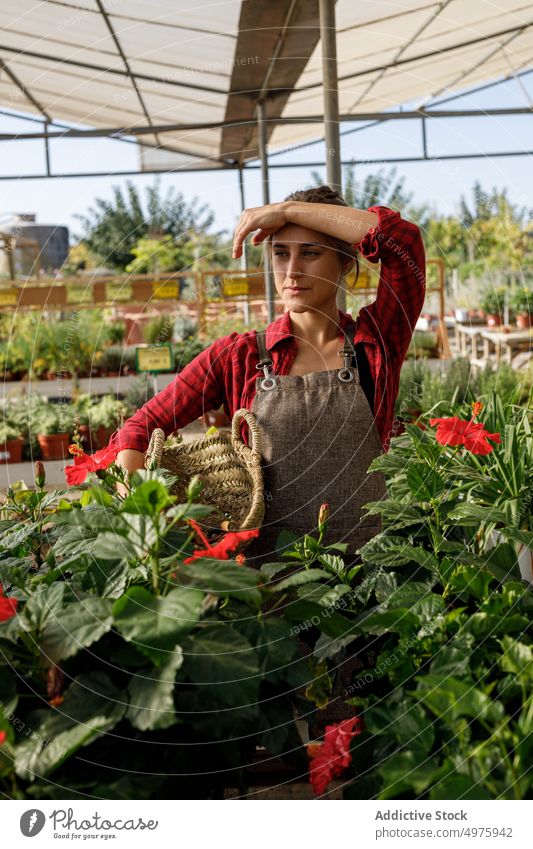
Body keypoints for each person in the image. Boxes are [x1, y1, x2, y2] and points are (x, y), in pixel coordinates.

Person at [108, 185, 426, 568]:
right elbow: (139, 429)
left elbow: (403, 240)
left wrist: (288, 210)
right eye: (280, 253)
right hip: (268, 586)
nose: (292, 271)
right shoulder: (238, 356)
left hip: (369, 576)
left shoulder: (376, 342)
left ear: (345, 262)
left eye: (311, 253)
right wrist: (142, 513)